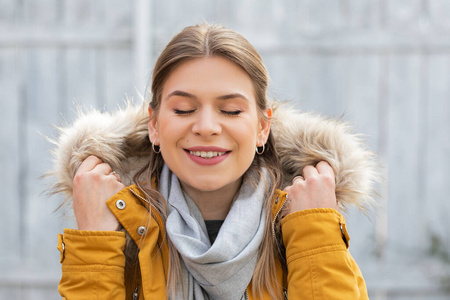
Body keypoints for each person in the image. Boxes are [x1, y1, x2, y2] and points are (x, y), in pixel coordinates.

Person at [51, 23, 375, 300]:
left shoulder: (305, 221)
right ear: (154, 125)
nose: (206, 127)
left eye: (231, 110)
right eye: (183, 110)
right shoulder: (114, 222)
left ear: (263, 127)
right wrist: (95, 245)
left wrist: (316, 236)